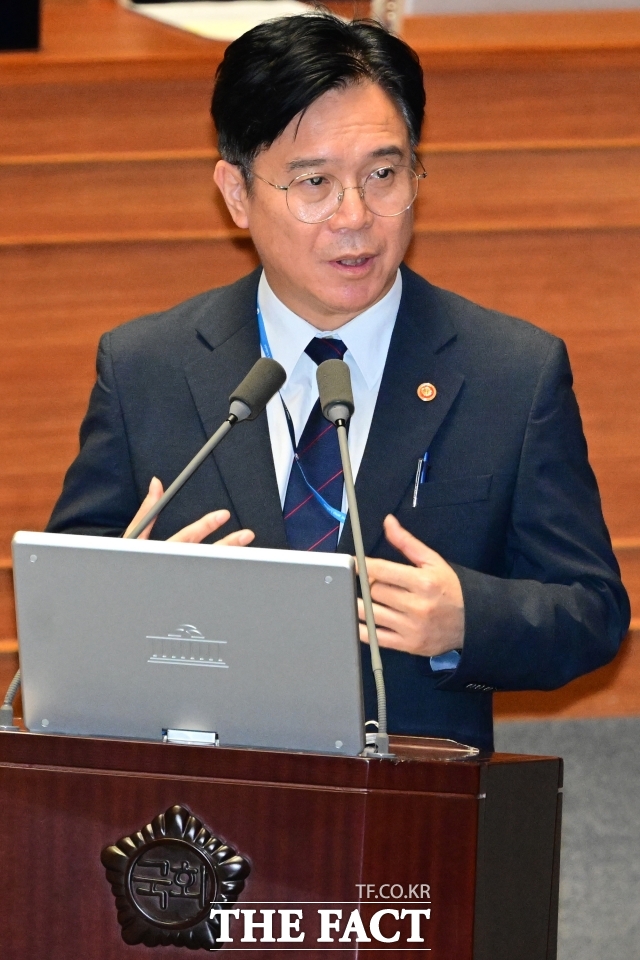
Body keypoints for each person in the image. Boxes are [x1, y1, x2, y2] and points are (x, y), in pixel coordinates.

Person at [47, 13, 630, 750]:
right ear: (236, 192)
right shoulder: (146, 367)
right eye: (314, 182)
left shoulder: (510, 372)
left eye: (383, 175)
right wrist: (132, 600)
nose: (355, 217)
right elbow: (58, 608)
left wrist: (467, 620)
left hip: (410, 799)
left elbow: (592, 611)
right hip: (201, 794)